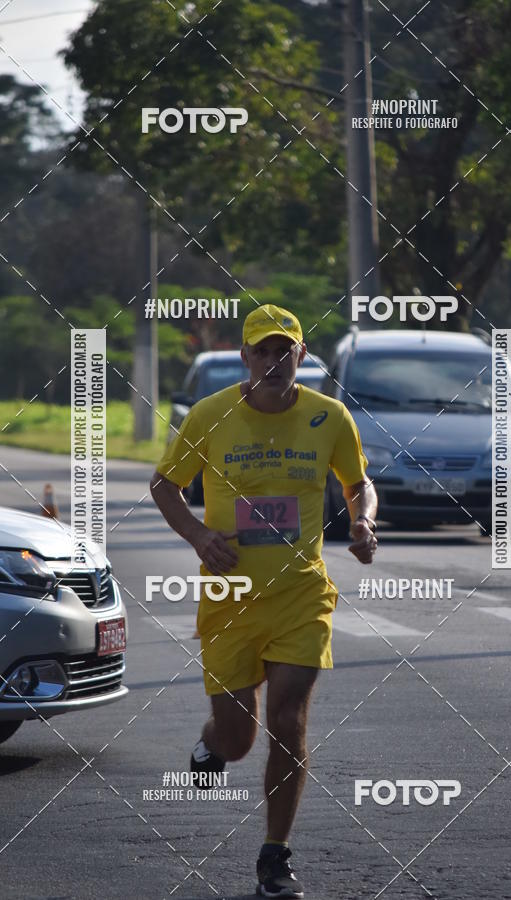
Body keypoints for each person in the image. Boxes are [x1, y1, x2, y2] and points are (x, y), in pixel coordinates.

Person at [150, 304, 377, 898]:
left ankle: (275, 857)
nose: (274, 362)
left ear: (301, 356)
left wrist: (362, 521)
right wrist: (199, 536)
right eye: (262, 351)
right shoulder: (210, 415)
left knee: (287, 720)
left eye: (285, 351)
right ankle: (211, 745)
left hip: (301, 595)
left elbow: (358, 483)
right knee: (239, 738)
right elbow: (164, 484)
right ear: (245, 357)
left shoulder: (328, 416)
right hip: (229, 596)